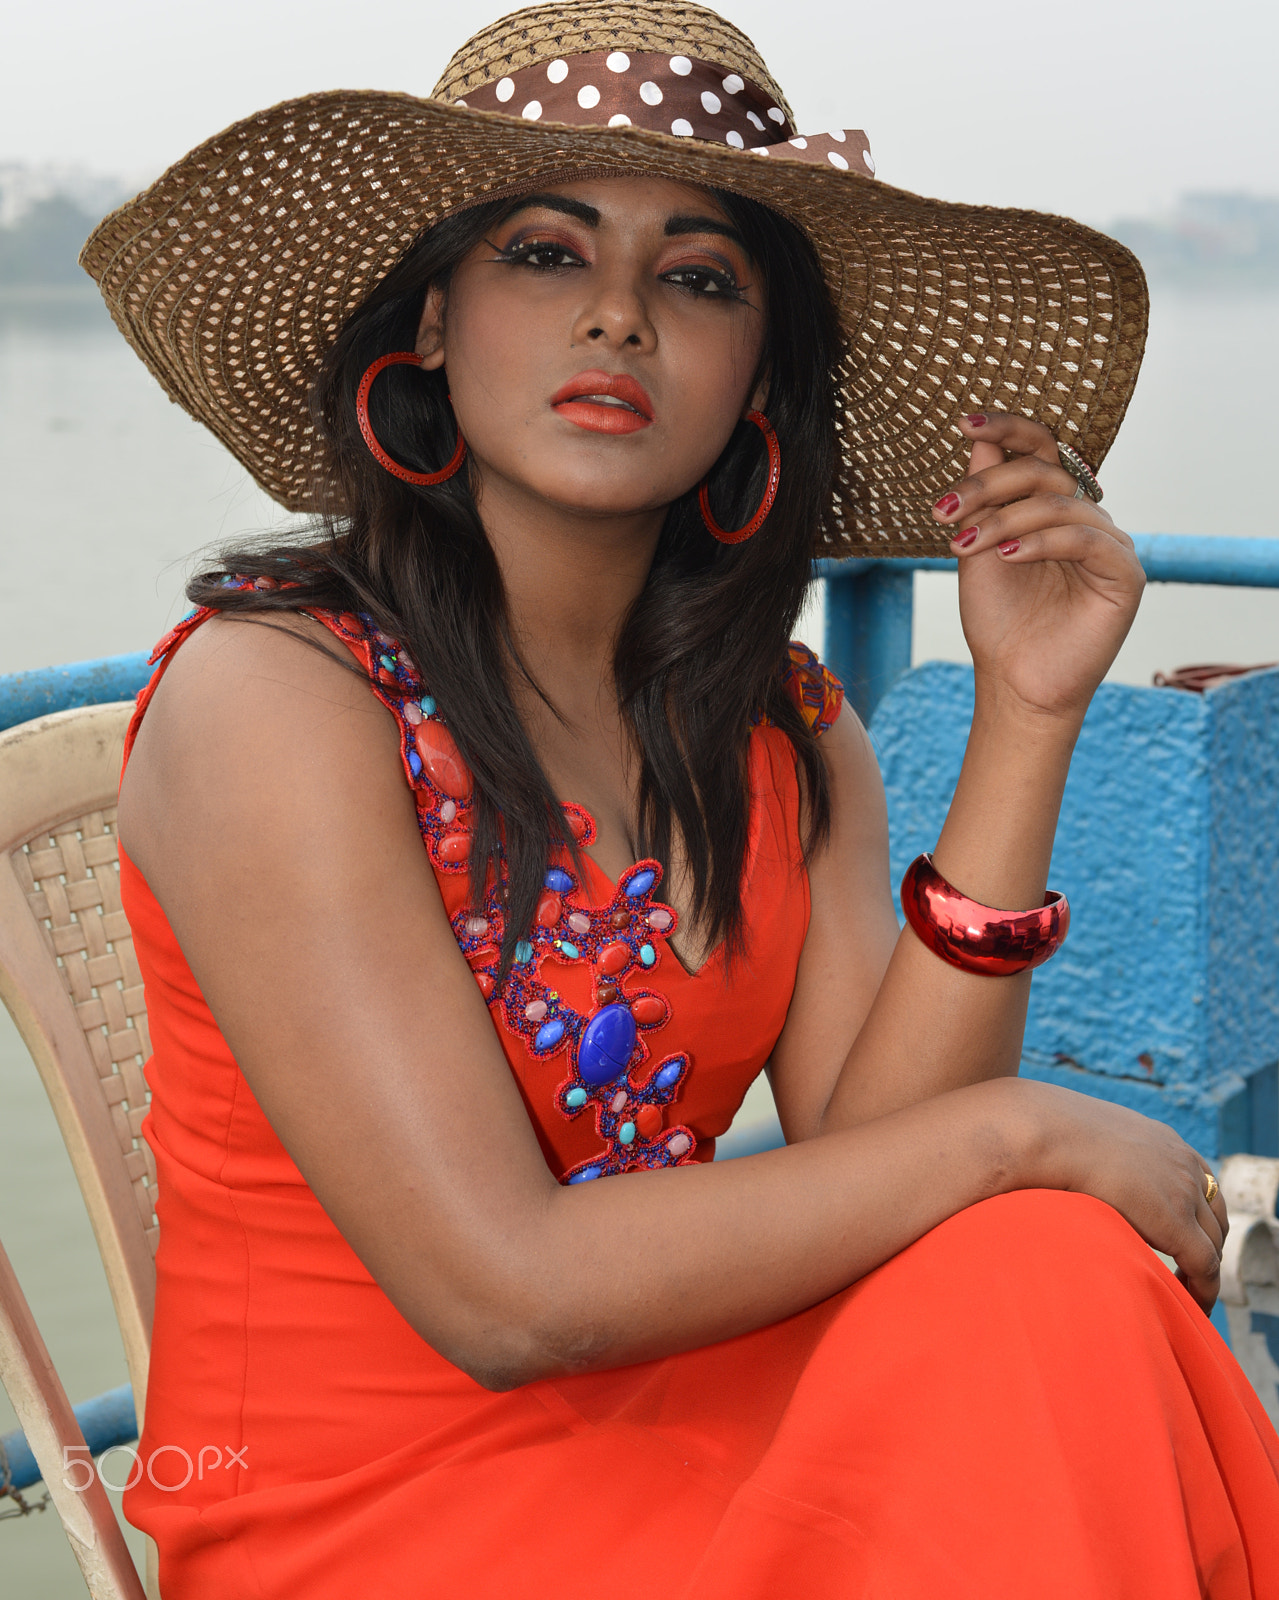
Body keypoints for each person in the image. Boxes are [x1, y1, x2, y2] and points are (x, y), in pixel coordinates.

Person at [83, 2, 1279, 1595]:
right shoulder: (279, 702)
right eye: (545, 255)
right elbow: (504, 1296)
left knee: (1041, 1282)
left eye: (697, 277)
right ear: (430, 322)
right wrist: (1020, 1135)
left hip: (693, 1399)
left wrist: (1027, 713)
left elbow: (890, 1157)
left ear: (756, 375)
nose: (621, 319)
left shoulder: (775, 724)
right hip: (371, 1506)